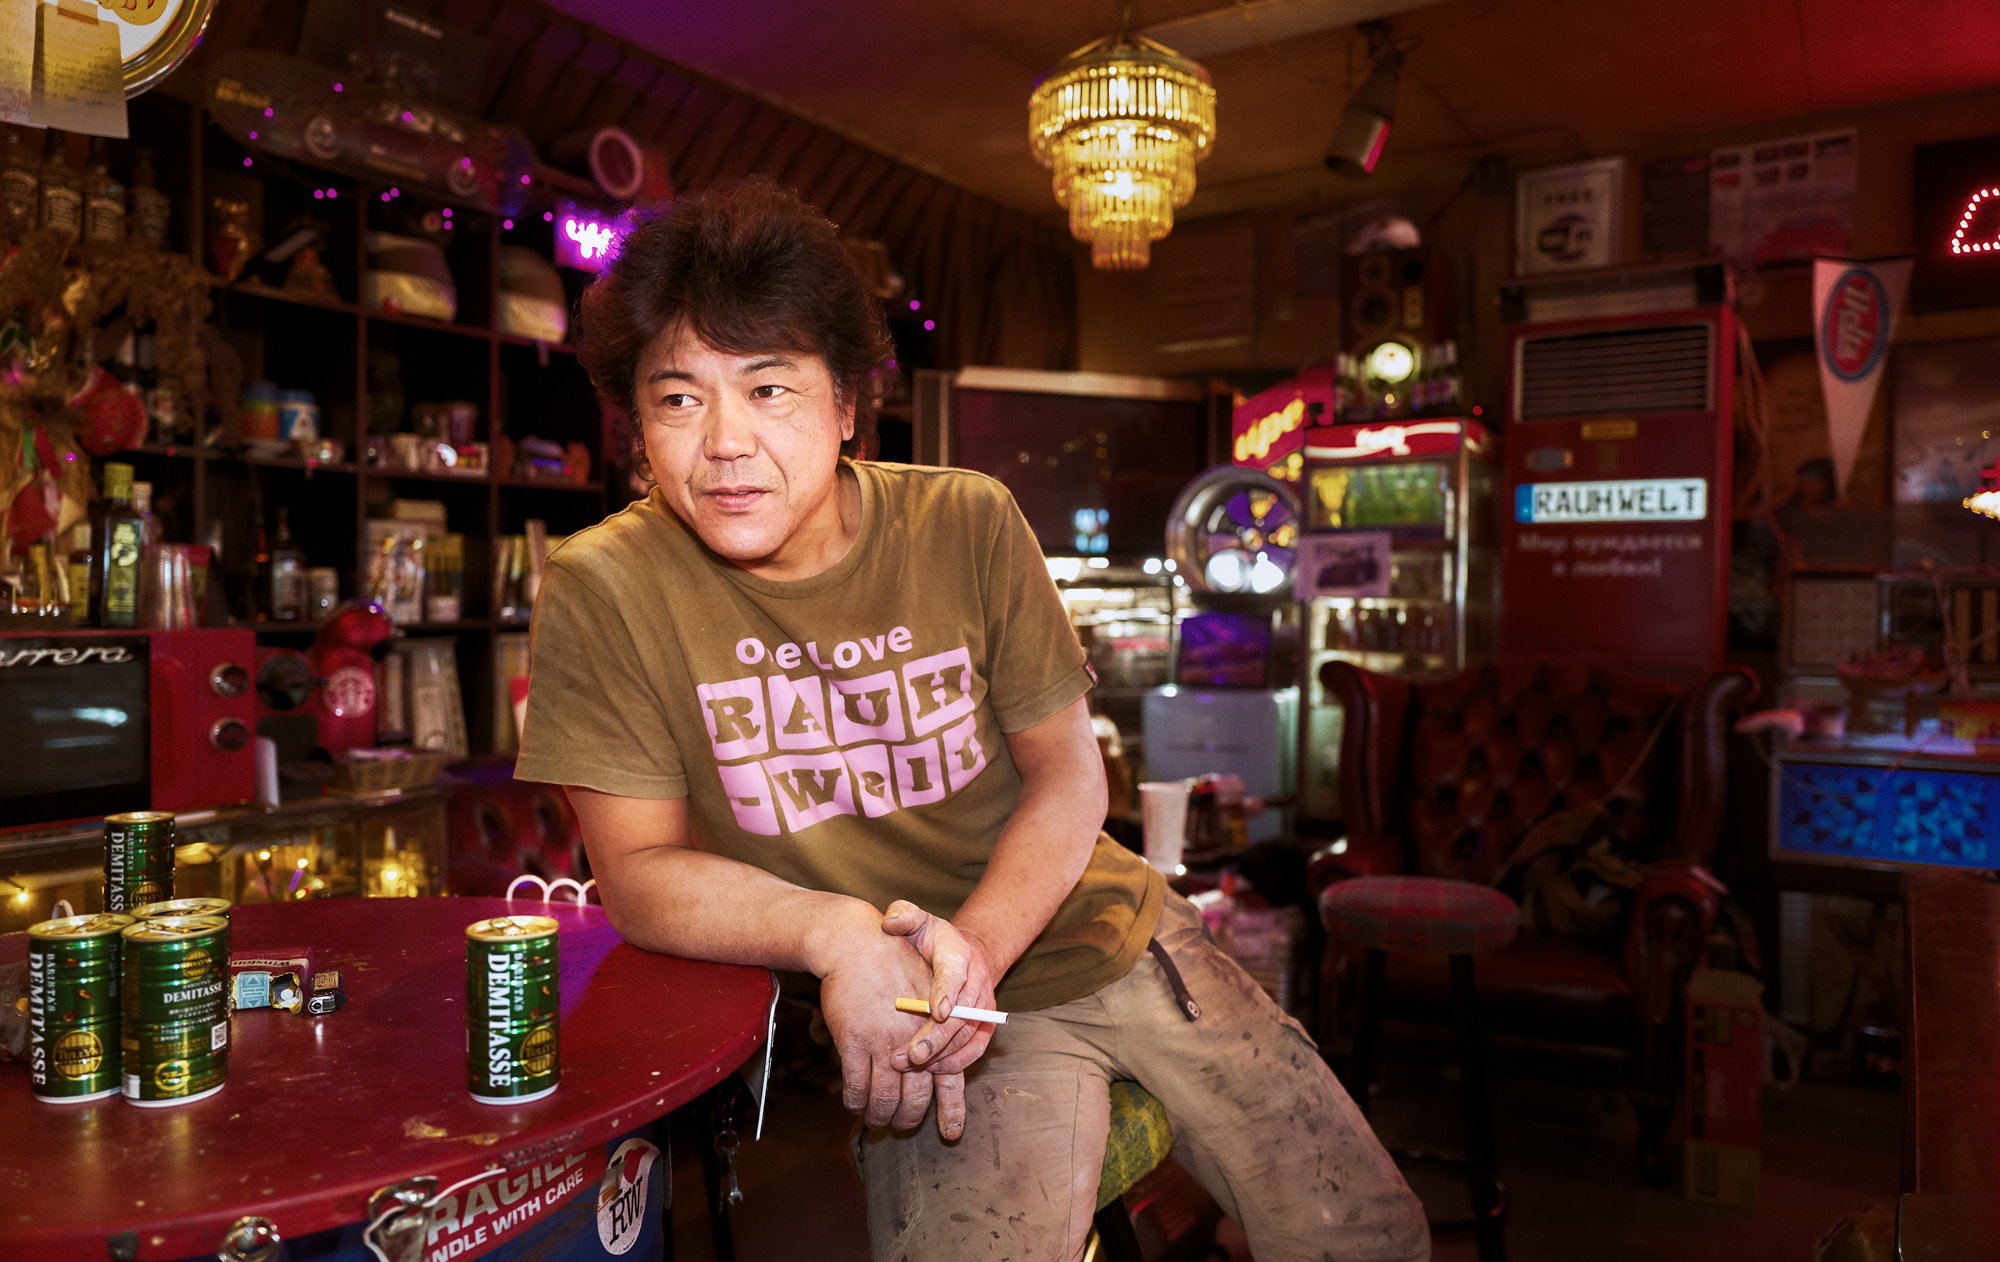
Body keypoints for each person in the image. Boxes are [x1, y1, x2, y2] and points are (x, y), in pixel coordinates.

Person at [515, 176, 1428, 1262]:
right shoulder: (605, 586)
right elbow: (638, 870)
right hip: (913, 1010)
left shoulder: (965, 519)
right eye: (678, 398)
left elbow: (1068, 774)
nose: (723, 441)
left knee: (1369, 1235)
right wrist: (837, 933)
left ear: (847, 406)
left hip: (1099, 929)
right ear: (638, 425)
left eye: (769, 388)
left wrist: (978, 950)